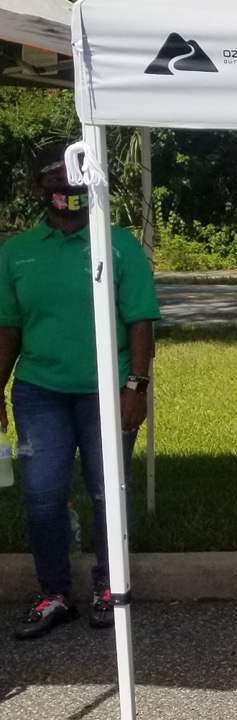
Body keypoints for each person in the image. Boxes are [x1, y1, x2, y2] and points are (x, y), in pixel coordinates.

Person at [0, 143, 159, 640]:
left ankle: (109, 589)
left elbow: (140, 322)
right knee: (43, 495)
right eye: (54, 182)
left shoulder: (118, 245)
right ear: (38, 189)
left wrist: (136, 385)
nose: (65, 191)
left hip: (108, 391)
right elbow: (8, 329)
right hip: (37, 391)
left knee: (106, 491)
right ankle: (53, 594)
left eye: (74, 182)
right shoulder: (16, 252)